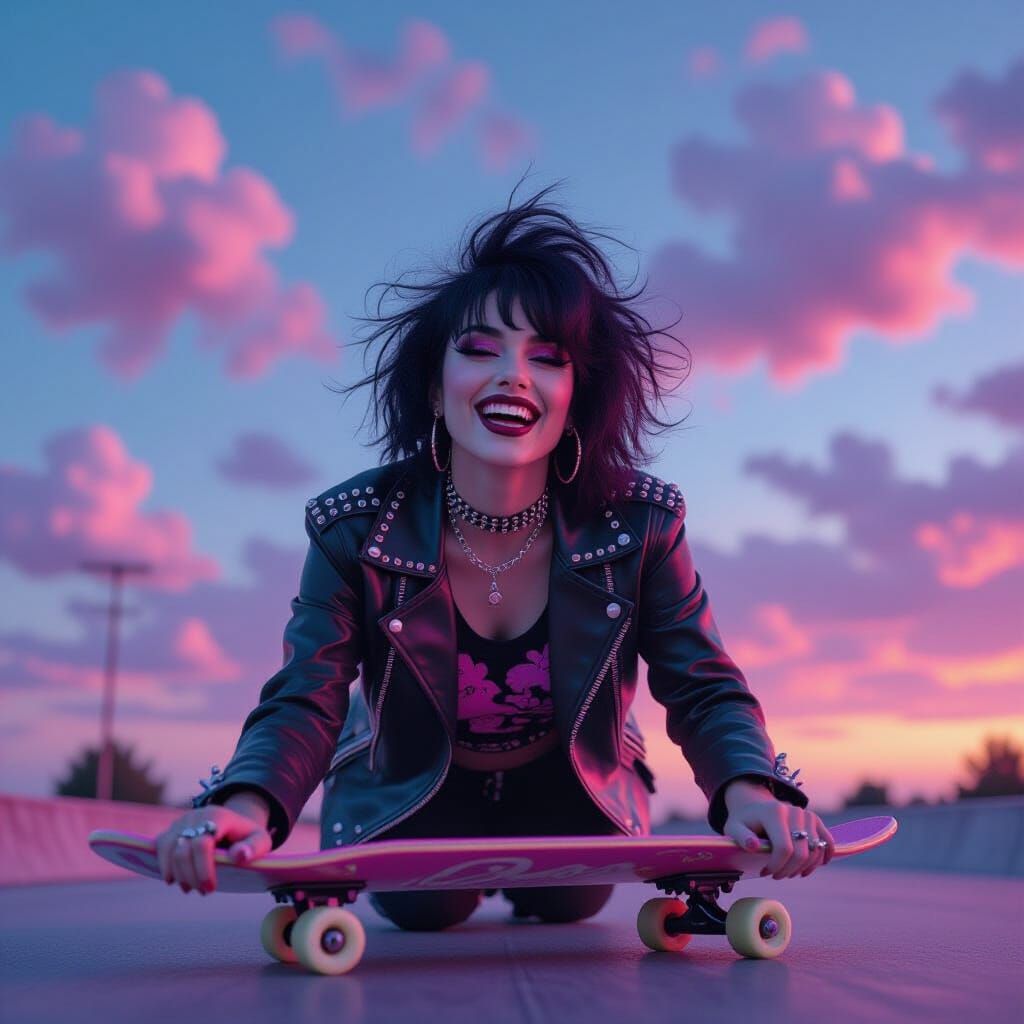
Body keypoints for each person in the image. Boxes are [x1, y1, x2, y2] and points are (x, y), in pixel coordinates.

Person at [156, 179, 834, 931]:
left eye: (547, 357)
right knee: (425, 910)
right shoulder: (355, 530)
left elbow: (701, 681)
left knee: (569, 899)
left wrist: (750, 788)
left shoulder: (642, 525)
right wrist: (246, 803)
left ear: (578, 395)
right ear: (435, 386)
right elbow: (306, 693)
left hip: (574, 789)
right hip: (411, 786)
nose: (513, 374)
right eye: (479, 349)